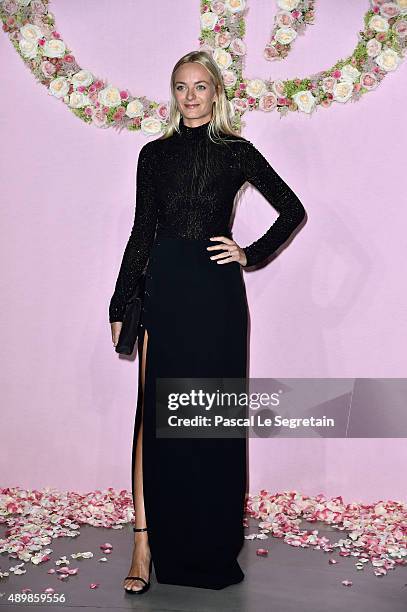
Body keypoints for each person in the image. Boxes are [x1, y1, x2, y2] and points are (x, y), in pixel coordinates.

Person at [109, 50, 306, 594]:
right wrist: (121, 302)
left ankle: (213, 543)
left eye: (200, 86)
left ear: (216, 92)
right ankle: (144, 543)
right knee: (153, 415)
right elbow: (140, 232)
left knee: (211, 418)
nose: (190, 96)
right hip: (163, 289)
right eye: (180, 87)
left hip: (216, 295)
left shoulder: (238, 152)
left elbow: (292, 209)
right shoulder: (154, 155)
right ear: (171, 93)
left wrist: (250, 253)